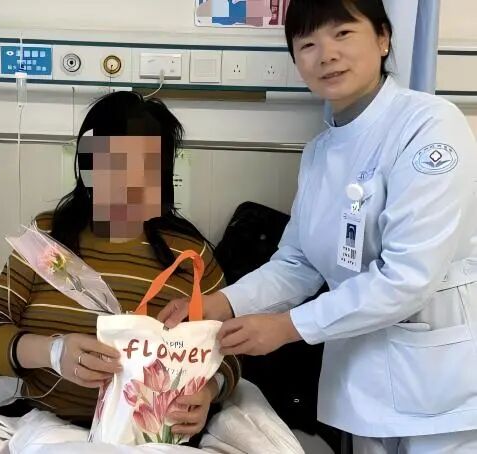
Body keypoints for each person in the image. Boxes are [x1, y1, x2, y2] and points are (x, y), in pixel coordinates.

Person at [159, 0, 477, 452]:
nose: (326, 54)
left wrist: (286, 327)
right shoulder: (320, 153)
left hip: (441, 386)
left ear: (383, 39)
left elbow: (408, 277)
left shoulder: (428, 125)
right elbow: (297, 262)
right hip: (364, 383)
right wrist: (220, 304)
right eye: (307, 44)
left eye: (343, 33)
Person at [0, 91, 240, 440]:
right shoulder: (47, 243)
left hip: (145, 438)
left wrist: (209, 391)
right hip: (43, 428)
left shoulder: (190, 257)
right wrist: (53, 352)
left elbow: (229, 351)